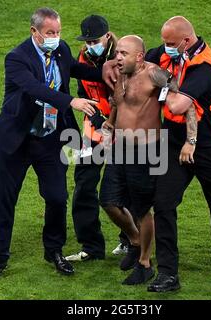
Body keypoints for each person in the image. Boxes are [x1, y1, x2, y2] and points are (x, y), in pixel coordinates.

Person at [0, 7, 111, 277]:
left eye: (58, 31)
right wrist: (71, 101)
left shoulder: (61, 49)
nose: (55, 36)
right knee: (5, 199)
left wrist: (106, 72)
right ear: (35, 32)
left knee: (56, 197)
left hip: (49, 140)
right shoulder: (17, 58)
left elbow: (75, 69)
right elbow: (34, 88)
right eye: (49, 33)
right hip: (17, 141)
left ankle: (54, 251)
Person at [145, 16, 211, 292]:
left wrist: (160, 83)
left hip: (210, 146)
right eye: (164, 43)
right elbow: (147, 63)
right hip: (175, 143)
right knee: (163, 203)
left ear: (186, 41)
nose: (165, 48)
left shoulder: (204, 69)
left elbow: (177, 105)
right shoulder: (173, 51)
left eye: (170, 44)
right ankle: (167, 274)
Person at [99, 35, 196, 285]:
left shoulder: (155, 75)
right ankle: (133, 240)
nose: (117, 58)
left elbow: (188, 104)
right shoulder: (122, 72)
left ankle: (145, 263)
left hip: (146, 151)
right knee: (108, 201)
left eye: (123, 54)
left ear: (140, 57)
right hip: (120, 148)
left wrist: (191, 140)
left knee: (142, 209)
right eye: (117, 53)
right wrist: (109, 123)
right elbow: (119, 102)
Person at [65, 15, 128, 262]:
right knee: (83, 186)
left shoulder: (123, 57)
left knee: (124, 188)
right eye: (88, 41)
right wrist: (98, 120)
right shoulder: (83, 57)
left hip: (123, 134)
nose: (91, 46)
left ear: (108, 36)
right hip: (93, 133)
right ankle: (91, 246)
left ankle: (129, 241)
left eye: (95, 41)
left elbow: (131, 98)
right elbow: (83, 91)